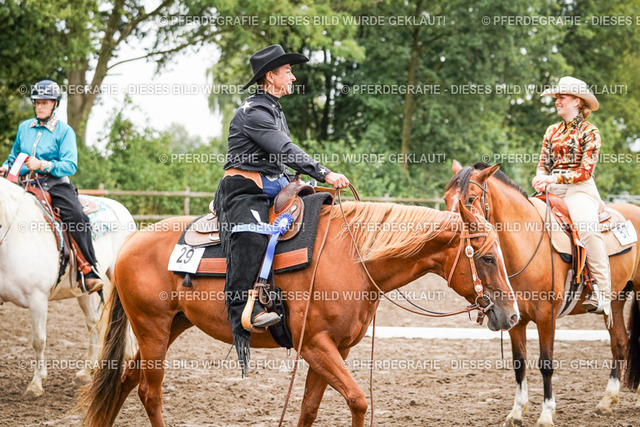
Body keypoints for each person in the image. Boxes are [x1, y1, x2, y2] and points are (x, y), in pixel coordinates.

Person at [213, 45, 349, 359]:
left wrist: (301, 183)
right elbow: (285, 150)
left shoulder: (273, 109)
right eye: (287, 71)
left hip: (274, 185)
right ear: (270, 76)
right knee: (252, 232)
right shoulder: (254, 112)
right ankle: (245, 306)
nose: (293, 77)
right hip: (244, 188)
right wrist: (324, 173)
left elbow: (279, 157)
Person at [0, 80, 103, 293]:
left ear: (55, 104)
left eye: (44, 103)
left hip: (55, 185)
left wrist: (42, 165)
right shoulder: (24, 128)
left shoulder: (65, 132)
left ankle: (88, 269)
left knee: (77, 216)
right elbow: (14, 158)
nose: (40, 107)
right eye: (37, 103)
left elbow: (70, 165)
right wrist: (5, 168)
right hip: (25, 185)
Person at [531, 76, 611, 318]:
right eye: (556, 97)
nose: (557, 101)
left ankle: (603, 293)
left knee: (587, 228)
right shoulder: (551, 130)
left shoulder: (590, 131)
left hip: (580, 188)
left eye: (562, 97)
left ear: (577, 101)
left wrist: (551, 179)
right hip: (552, 186)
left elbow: (585, 171)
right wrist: (539, 177)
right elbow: (543, 163)